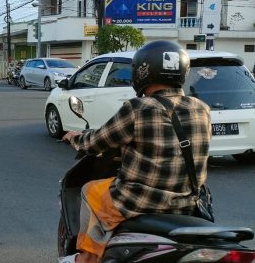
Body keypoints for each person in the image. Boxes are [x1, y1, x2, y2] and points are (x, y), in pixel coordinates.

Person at [59, 41, 211, 263]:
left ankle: (87, 256)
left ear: (143, 71)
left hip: (139, 201)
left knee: (89, 189)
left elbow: (96, 142)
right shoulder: (202, 108)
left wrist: (75, 138)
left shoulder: (138, 108)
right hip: (188, 201)